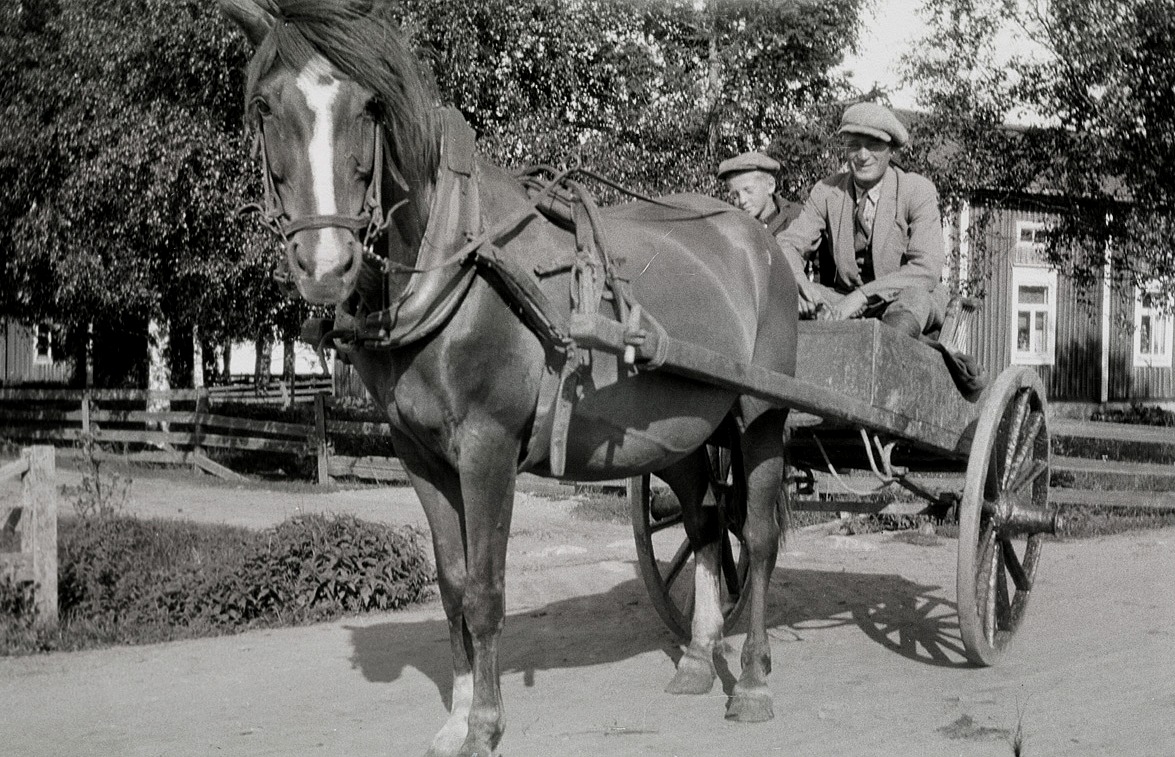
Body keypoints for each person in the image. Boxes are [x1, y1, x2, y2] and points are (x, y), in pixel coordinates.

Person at [776, 102, 948, 338]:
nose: (863, 156)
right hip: (843, 300)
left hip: (902, 299)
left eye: (874, 145)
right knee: (785, 297)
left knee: (914, 301)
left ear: (891, 150)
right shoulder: (827, 191)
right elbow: (789, 243)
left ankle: (890, 360)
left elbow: (926, 269)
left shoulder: (916, 190)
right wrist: (798, 282)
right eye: (854, 146)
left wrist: (862, 296)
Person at [717, 151, 803, 241]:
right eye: (735, 195)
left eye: (748, 190)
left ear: (770, 185)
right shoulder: (731, 232)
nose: (742, 201)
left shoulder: (801, 219)